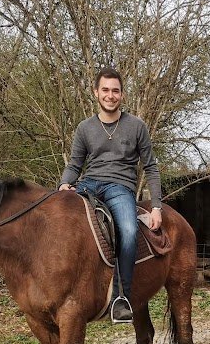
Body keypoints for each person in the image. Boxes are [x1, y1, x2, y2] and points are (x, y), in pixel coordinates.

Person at [59, 67, 163, 324]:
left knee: (128, 231)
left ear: (122, 95)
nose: (110, 95)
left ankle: (121, 298)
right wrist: (63, 185)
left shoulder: (136, 126)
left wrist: (157, 206)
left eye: (115, 90)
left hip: (120, 188)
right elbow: (75, 165)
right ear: (96, 93)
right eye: (105, 90)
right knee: (58, 222)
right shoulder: (85, 128)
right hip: (88, 185)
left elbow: (151, 167)